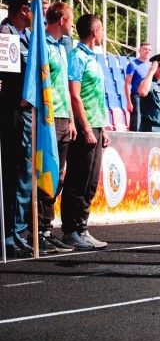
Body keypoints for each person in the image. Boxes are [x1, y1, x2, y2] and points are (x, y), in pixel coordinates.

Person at [61, 13, 111, 251]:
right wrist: (87, 128)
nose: (102, 34)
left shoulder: (94, 58)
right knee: (77, 180)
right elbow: (74, 96)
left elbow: (98, 96)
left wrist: (104, 127)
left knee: (90, 183)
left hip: (97, 126)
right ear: (95, 31)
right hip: (84, 128)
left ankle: (82, 227)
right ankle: (70, 231)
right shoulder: (77, 57)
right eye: (101, 29)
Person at [38, 2, 78, 253]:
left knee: (58, 179)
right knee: (46, 177)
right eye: (70, 18)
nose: (73, 23)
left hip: (64, 118)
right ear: (61, 19)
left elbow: (63, 85)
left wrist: (72, 120)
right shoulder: (42, 45)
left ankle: (47, 228)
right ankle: (41, 230)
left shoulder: (63, 48)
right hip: (49, 119)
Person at [0, 0, 35, 257]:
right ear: (24, 9)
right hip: (13, 113)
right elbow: (8, 79)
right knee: (13, 173)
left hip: (23, 113)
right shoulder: (7, 35)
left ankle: (17, 231)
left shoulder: (25, 37)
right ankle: (9, 233)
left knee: (23, 172)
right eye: (34, 7)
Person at [124, 43, 152, 131]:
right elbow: (127, 84)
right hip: (136, 96)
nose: (147, 51)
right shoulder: (133, 64)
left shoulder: (149, 66)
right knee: (136, 121)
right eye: (145, 49)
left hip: (147, 97)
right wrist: (129, 102)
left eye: (149, 50)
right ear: (139, 51)